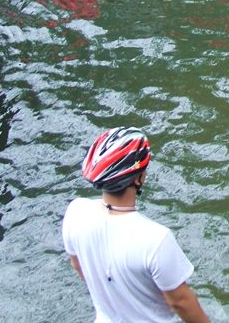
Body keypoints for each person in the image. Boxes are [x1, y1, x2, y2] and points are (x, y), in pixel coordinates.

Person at [62, 126, 211, 323]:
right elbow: (181, 302)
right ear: (139, 178)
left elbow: (79, 266)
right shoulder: (156, 238)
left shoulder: (76, 212)